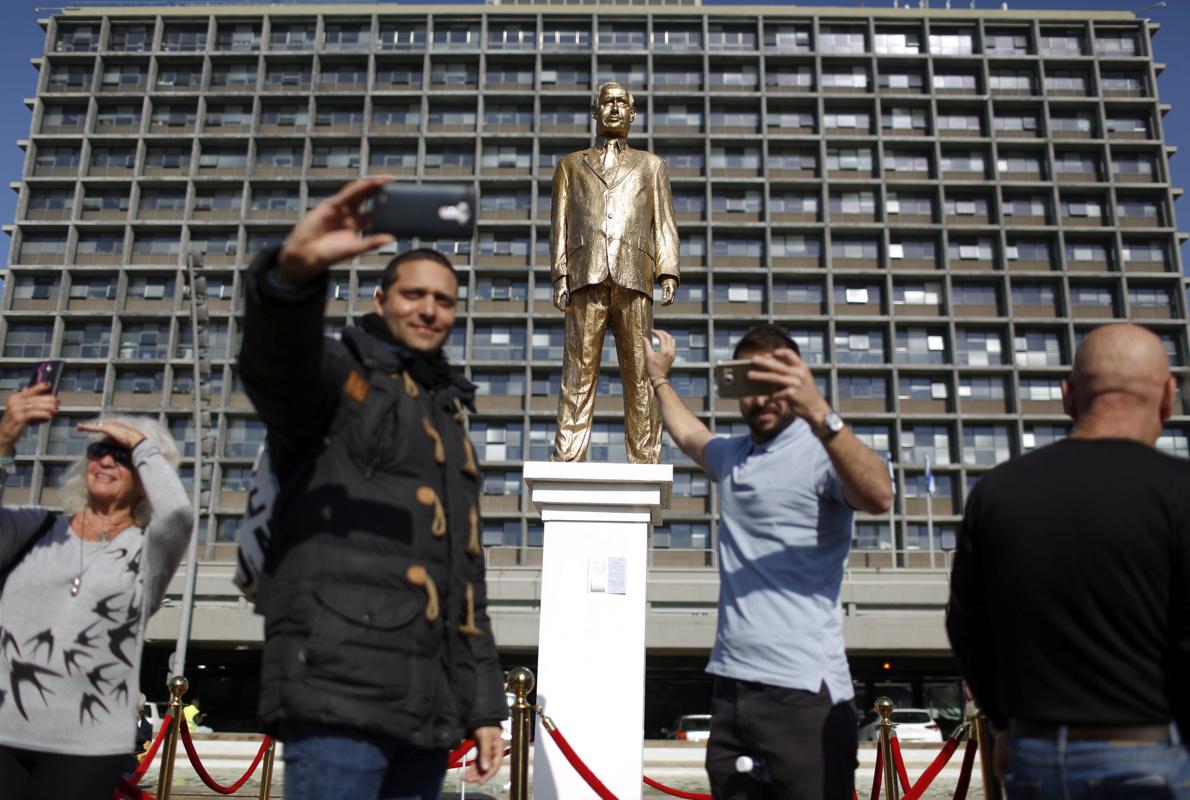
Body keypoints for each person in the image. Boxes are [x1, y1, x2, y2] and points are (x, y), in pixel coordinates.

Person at [238, 177, 506, 800]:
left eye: (443, 300)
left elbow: (467, 580)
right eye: (413, 294)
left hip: (427, 706)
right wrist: (289, 281)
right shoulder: (343, 375)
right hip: (338, 692)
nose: (429, 309)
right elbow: (277, 367)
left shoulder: (449, 418)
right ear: (382, 298)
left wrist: (485, 706)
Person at [644, 325, 893, 800]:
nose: (762, 400)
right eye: (750, 387)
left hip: (804, 693)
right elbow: (691, 434)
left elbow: (879, 494)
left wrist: (818, 408)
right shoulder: (734, 457)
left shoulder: (823, 453)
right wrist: (659, 378)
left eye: (774, 385)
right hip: (732, 688)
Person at [947, 323, 1190, 797]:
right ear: (1167, 395)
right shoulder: (1181, 490)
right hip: (1155, 752)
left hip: (1035, 754)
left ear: (1067, 395)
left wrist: (1003, 722)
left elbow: (968, 628)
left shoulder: (998, 492)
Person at [0, 394, 192, 800]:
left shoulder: (148, 552)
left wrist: (141, 444)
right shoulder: (33, 527)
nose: (106, 461)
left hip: (88, 745)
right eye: (100, 450)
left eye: (122, 457)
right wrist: (4, 439)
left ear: (144, 474)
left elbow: (177, 514)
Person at [549, 80, 680, 464]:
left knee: (640, 372)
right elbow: (559, 224)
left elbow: (664, 223)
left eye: (623, 103)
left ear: (632, 113)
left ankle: (644, 457)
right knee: (578, 368)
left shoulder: (652, 165)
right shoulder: (570, 165)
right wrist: (560, 276)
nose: (615, 109)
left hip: (634, 275)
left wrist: (667, 271)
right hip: (584, 274)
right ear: (596, 111)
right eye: (608, 102)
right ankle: (569, 454)